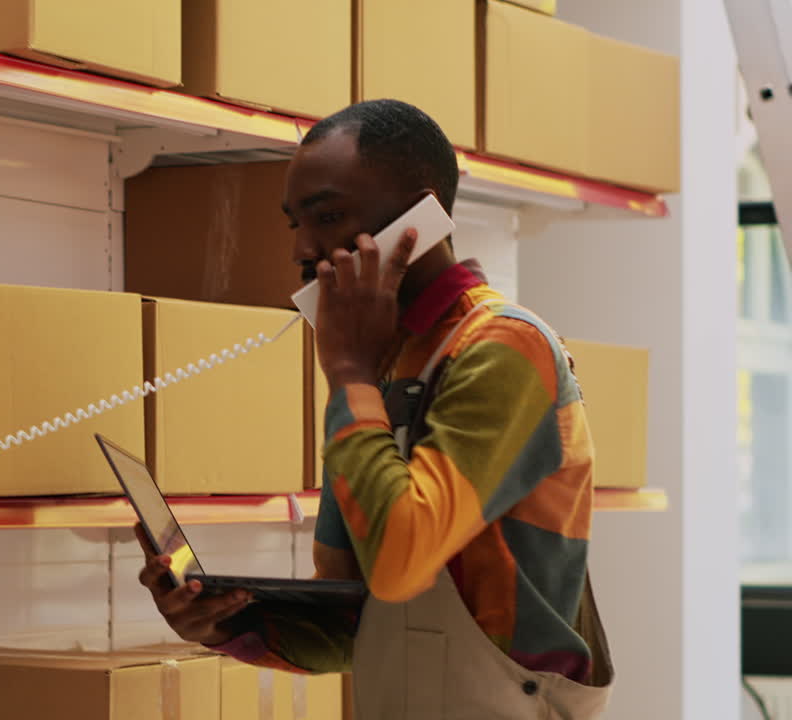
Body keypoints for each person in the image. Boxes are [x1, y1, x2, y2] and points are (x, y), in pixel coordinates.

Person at [135, 99, 615, 719]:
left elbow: (399, 563)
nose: (303, 249)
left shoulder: (503, 350)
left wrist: (347, 374)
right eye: (294, 224)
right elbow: (363, 617)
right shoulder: (385, 364)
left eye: (329, 216)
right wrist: (222, 621)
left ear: (422, 217)